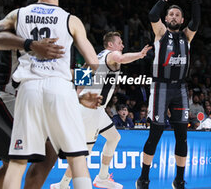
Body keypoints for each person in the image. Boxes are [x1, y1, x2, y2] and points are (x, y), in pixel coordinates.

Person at [0, 0, 99, 189]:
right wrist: (86, 88)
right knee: (75, 158)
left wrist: (29, 45)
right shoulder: (69, 20)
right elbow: (93, 63)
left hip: (27, 91)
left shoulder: (18, 17)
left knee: (15, 162)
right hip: (9, 94)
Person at [51, 31, 151, 189]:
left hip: (95, 109)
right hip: (91, 110)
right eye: (120, 43)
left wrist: (76, 100)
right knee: (84, 154)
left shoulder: (97, 56)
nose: (123, 46)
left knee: (114, 137)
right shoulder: (112, 55)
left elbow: (82, 75)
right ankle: (62, 185)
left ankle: (102, 176)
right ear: (111, 45)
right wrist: (139, 55)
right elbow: (121, 58)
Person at [136, 0, 200, 189]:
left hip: (180, 89)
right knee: (155, 133)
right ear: (166, 19)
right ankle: (143, 178)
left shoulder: (187, 36)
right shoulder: (161, 33)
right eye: (170, 13)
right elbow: (152, 13)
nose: (173, 16)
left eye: (177, 14)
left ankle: (179, 180)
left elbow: (197, 19)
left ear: (182, 20)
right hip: (160, 86)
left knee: (182, 137)